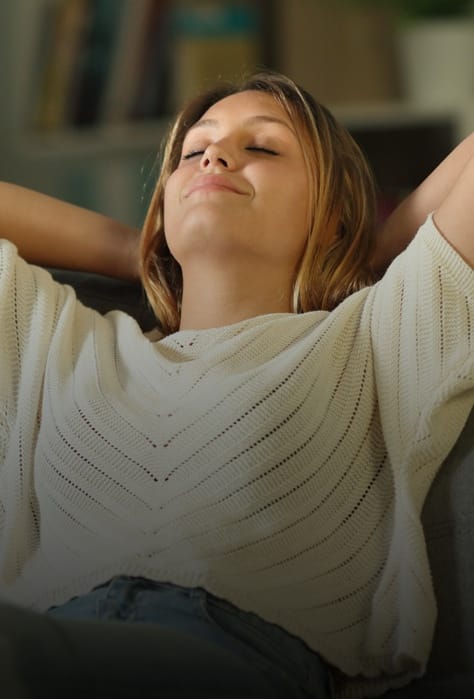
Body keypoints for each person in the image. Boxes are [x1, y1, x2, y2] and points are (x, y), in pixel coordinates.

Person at [0, 71, 472, 699]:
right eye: (195, 151)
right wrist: (138, 248)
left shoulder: (376, 337)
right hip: (47, 638)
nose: (216, 156)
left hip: (232, 658)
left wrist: (369, 250)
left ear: (331, 218)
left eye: (265, 148)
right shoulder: (60, 339)